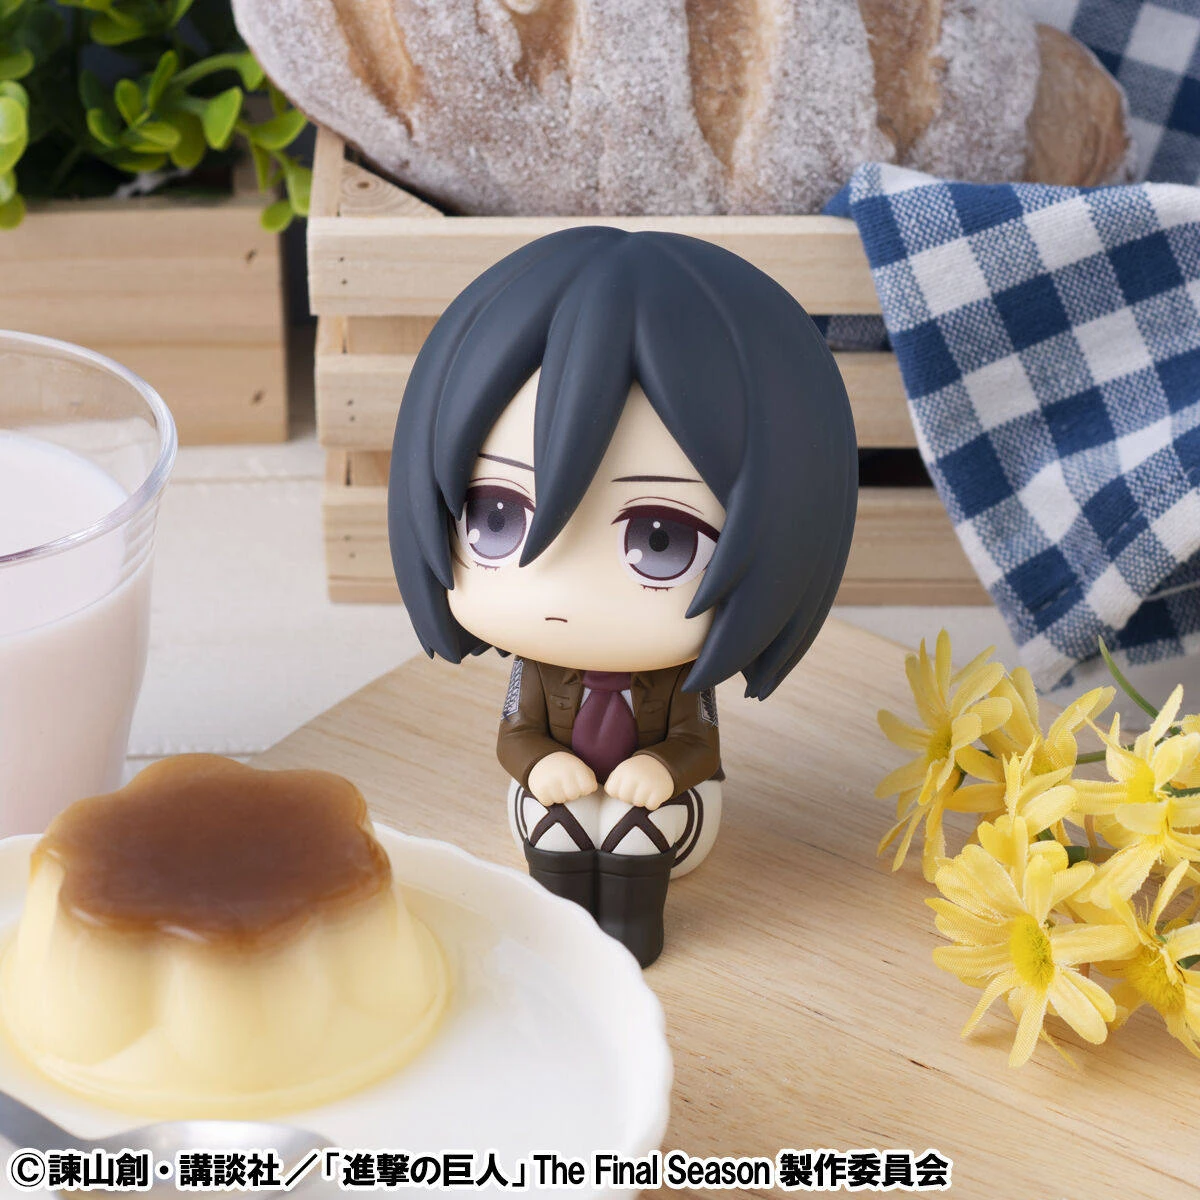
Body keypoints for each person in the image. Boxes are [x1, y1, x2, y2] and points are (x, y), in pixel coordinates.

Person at [388, 227, 858, 966]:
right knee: (556, 822)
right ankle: (563, 941)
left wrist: (664, 769)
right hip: (557, 794)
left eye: (662, 539)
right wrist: (540, 765)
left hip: (668, 803)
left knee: (639, 832)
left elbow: (699, 742)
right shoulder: (536, 669)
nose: (564, 593)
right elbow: (516, 732)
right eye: (497, 518)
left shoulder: (679, 680)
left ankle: (632, 939)